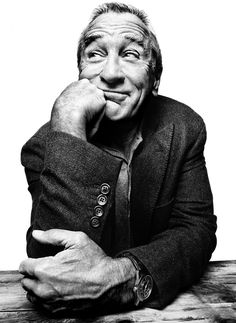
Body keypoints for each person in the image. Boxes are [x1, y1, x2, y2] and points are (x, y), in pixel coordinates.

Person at [19, 2, 217, 314]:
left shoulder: (184, 127)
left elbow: (196, 230)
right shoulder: (45, 144)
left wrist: (126, 278)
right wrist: (70, 127)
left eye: (131, 54)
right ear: (80, 73)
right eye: (95, 54)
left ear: (155, 80)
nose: (110, 74)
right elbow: (52, 266)